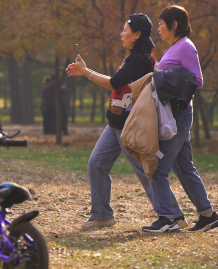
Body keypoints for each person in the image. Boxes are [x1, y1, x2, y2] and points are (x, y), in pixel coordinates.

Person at [66, 13, 156, 229]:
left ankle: (170, 214)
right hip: (115, 123)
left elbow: (113, 82)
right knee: (96, 164)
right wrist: (85, 71)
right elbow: (116, 83)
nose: (121, 34)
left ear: (137, 34)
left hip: (130, 126)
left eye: (125, 30)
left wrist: (86, 72)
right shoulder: (133, 58)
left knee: (147, 173)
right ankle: (102, 215)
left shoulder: (141, 60)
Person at [137, 5, 218, 233]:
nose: (158, 28)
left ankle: (168, 218)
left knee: (157, 169)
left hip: (178, 115)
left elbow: (197, 80)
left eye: (162, 23)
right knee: (184, 168)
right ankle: (208, 215)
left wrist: (163, 75)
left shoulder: (185, 47)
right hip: (172, 115)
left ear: (174, 25)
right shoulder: (174, 47)